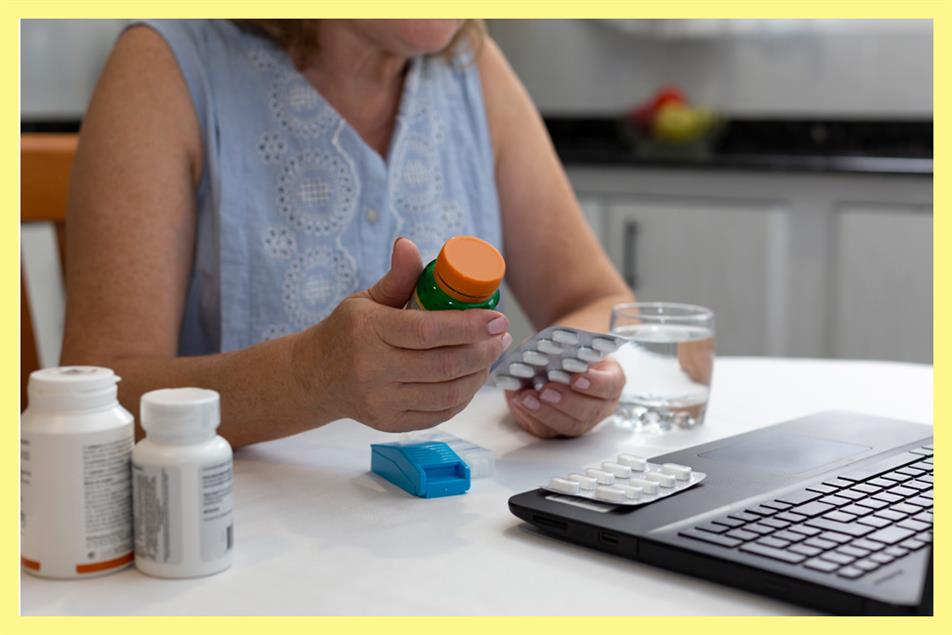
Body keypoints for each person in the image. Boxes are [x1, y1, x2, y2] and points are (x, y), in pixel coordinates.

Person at [61, 19, 634, 448]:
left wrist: (574, 379)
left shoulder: (474, 69)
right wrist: (310, 378)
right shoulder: (164, 64)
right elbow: (91, 397)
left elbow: (597, 299)